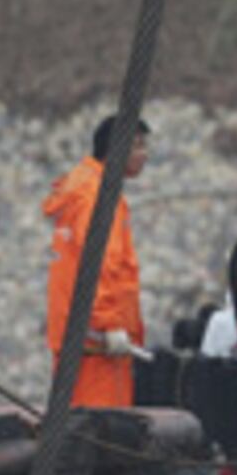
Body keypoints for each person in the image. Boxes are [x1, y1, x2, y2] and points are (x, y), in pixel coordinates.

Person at [42, 115, 151, 407]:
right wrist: (109, 324)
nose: (145, 154)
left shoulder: (82, 188)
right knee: (102, 430)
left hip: (81, 338)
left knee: (77, 421)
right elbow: (102, 261)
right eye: (138, 146)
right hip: (97, 344)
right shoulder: (96, 195)